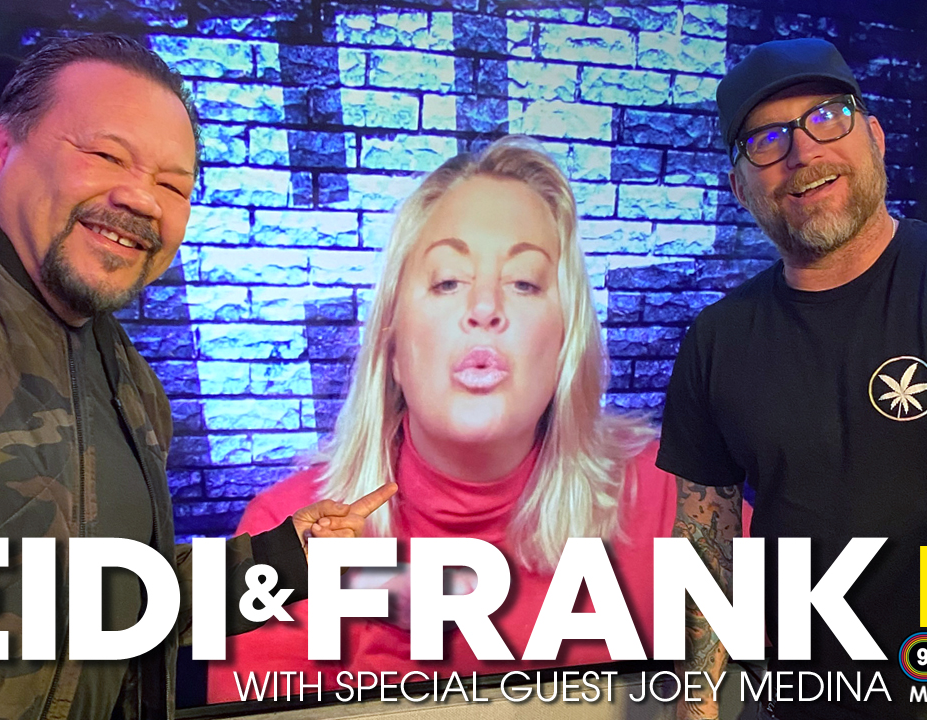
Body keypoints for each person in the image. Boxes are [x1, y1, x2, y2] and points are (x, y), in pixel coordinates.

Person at [0, 33, 391, 720]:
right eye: (106, 156)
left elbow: (116, 606)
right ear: (2, 149)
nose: (143, 199)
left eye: (173, 186)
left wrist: (284, 557)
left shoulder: (131, 381)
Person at [657, 38, 927, 720]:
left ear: (873, 137)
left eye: (826, 118)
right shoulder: (718, 339)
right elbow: (706, 541)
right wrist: (695, 708)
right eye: (766, 140)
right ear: (740, 188)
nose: (802, 152)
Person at [205, 135, 678, 703]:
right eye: (448, 281)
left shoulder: (674, 500)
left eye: (524, 282)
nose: (485, 308)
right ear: (393, 348)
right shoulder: (283, 536)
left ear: (565, 343)